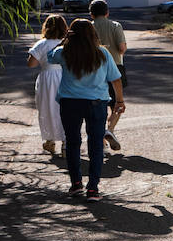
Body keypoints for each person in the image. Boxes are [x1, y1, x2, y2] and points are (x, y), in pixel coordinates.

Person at [49, 19, 124, 202]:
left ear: (71, 34)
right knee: (96, 145)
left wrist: (64, 39)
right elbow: (115, 79)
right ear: (93, 34)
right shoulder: (103, 53)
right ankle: (93, 189)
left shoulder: (64, 52)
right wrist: (119, 100)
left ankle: (76, 184)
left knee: (73, 143)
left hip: (70, 104)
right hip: (96, 104)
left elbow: (49, 56)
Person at [26, 14, 68, 155]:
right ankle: (66, 143)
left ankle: (50, 140)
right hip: (65, 77)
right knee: (65, 109)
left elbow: (31, 64)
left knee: (48, 108)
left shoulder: (42, 43)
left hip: (47, 78)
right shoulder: (66, 42)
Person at [89, 0, 126, 151]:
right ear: (107, 12)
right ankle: (110, 130)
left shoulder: (88, 28)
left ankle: (101, 138)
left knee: (98, 104)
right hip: (115, 67)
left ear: (91, 14)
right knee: (117, 103)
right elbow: (122, 48)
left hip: (93, 69)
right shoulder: (115, 26)